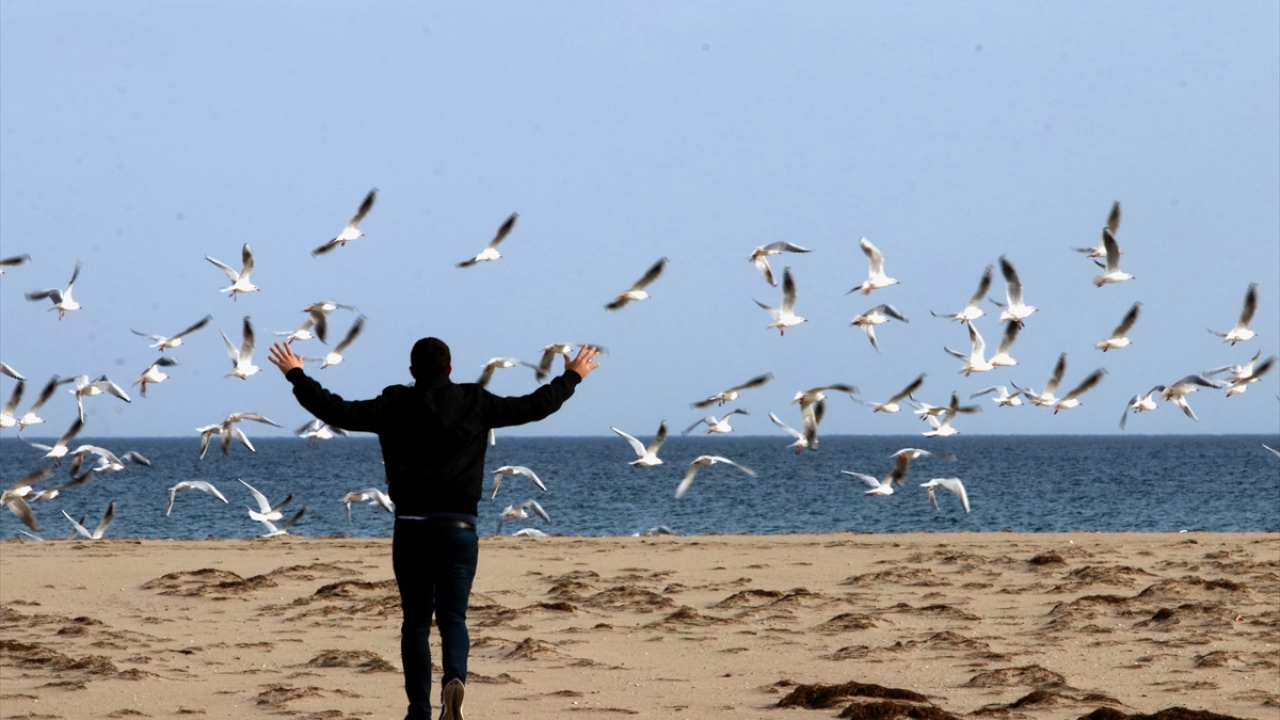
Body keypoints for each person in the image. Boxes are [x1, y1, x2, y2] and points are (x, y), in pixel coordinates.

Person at [268, 338, 601, 720]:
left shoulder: (393, 403)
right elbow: (535, 407)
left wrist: (296, 373)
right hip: (460, 528)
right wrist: (572, 376)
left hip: (411, 528)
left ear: (411, 372)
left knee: (415, 622)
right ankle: (453, 680)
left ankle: (418, 711)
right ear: (450, 370)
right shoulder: (475, 401)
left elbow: (333, 409)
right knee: (453, 618)